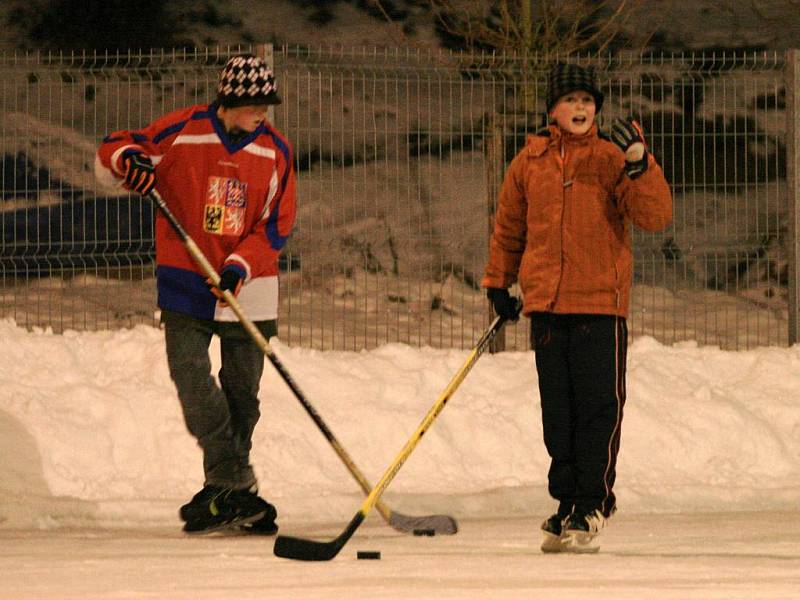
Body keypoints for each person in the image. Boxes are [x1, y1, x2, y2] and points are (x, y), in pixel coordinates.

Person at [95, 53, 297, 535]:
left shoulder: (276, 150)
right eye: (254, 104)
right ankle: (236, 483)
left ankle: (224, 490)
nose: (263, 112)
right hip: (185, 280)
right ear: (229, 101)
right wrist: (132, 163)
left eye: (267, 103)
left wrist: (238, 268)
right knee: (190, 379)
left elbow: (278, 226)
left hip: (250, 285)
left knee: (242, 393)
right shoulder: (183, 130)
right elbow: (115, 148)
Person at [482, 62, 672, 553]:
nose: (581, 109)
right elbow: (509, 228)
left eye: (588, 101)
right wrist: (498, 283)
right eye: (571, 100)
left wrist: (639, 164)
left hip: (599, 307)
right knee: (558, 414)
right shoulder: (531, 161)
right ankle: (565, 501)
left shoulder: (611, 159)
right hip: (547, 307)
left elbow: (655, 215)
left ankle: (593, 501)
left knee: (598, 410)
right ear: (553, 109)